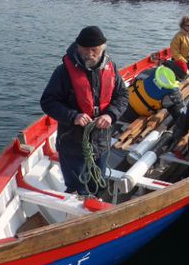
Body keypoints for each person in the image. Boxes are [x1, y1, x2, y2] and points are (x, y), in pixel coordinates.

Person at [40, 26, 128, 194]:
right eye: (85, 49)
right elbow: (48, 101)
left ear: (102, 48)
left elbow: (123, 96)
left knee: (98, 183)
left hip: (101, 141)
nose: (89, 54)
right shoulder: (63, 72)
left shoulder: (111, 68)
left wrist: (110, 115)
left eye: (94, 49)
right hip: (72, 143)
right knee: (77, 189)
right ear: (78, 47)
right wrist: (73, 116)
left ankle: (97, 206)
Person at [122, 60, 187, 123]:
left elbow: (137, 79)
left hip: (123, 100)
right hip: (134, 115)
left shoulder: (152, 71)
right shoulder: (174, 93)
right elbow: (179, 115)